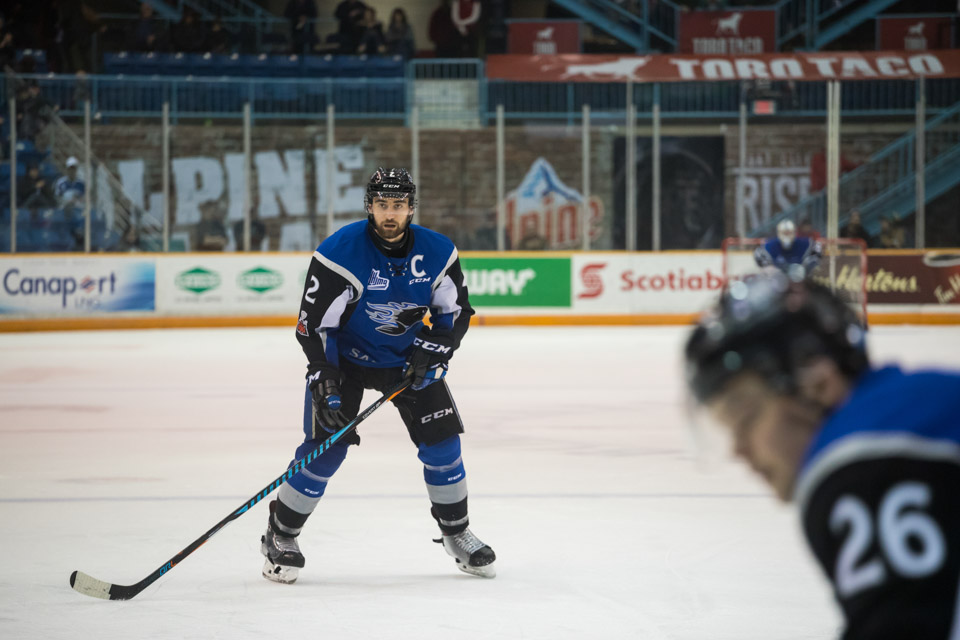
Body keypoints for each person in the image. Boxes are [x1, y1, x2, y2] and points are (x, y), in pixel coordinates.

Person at [684, 271, 960, 639]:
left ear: (818, 385)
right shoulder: (922, 409)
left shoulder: (864, 459)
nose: (738, 449)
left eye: (746, 417)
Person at [260, 168, 496, 584]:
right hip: (344, 361)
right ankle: (281, 534)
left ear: (411, 208)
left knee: (443, 444)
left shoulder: (438, 251)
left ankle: (456, 534)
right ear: (369, 206)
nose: (390, 213)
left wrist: (438, 346)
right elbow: (312, 325)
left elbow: (455, 312)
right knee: (326, 449)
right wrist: (323, 374)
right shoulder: (340, 253)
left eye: (398, 205)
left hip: (405, 360)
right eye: (382, 204)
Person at [754, 219, 822, 278]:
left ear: (794, 232)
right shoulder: (770, 246)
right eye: (784, 233)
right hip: (777, 279)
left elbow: (816, 252)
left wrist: (808, 266)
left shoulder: (804, 244)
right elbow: (759, 255)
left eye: (789, 233)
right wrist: (768, 267)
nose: (787, 236)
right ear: (779, 233)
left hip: (799, 278)